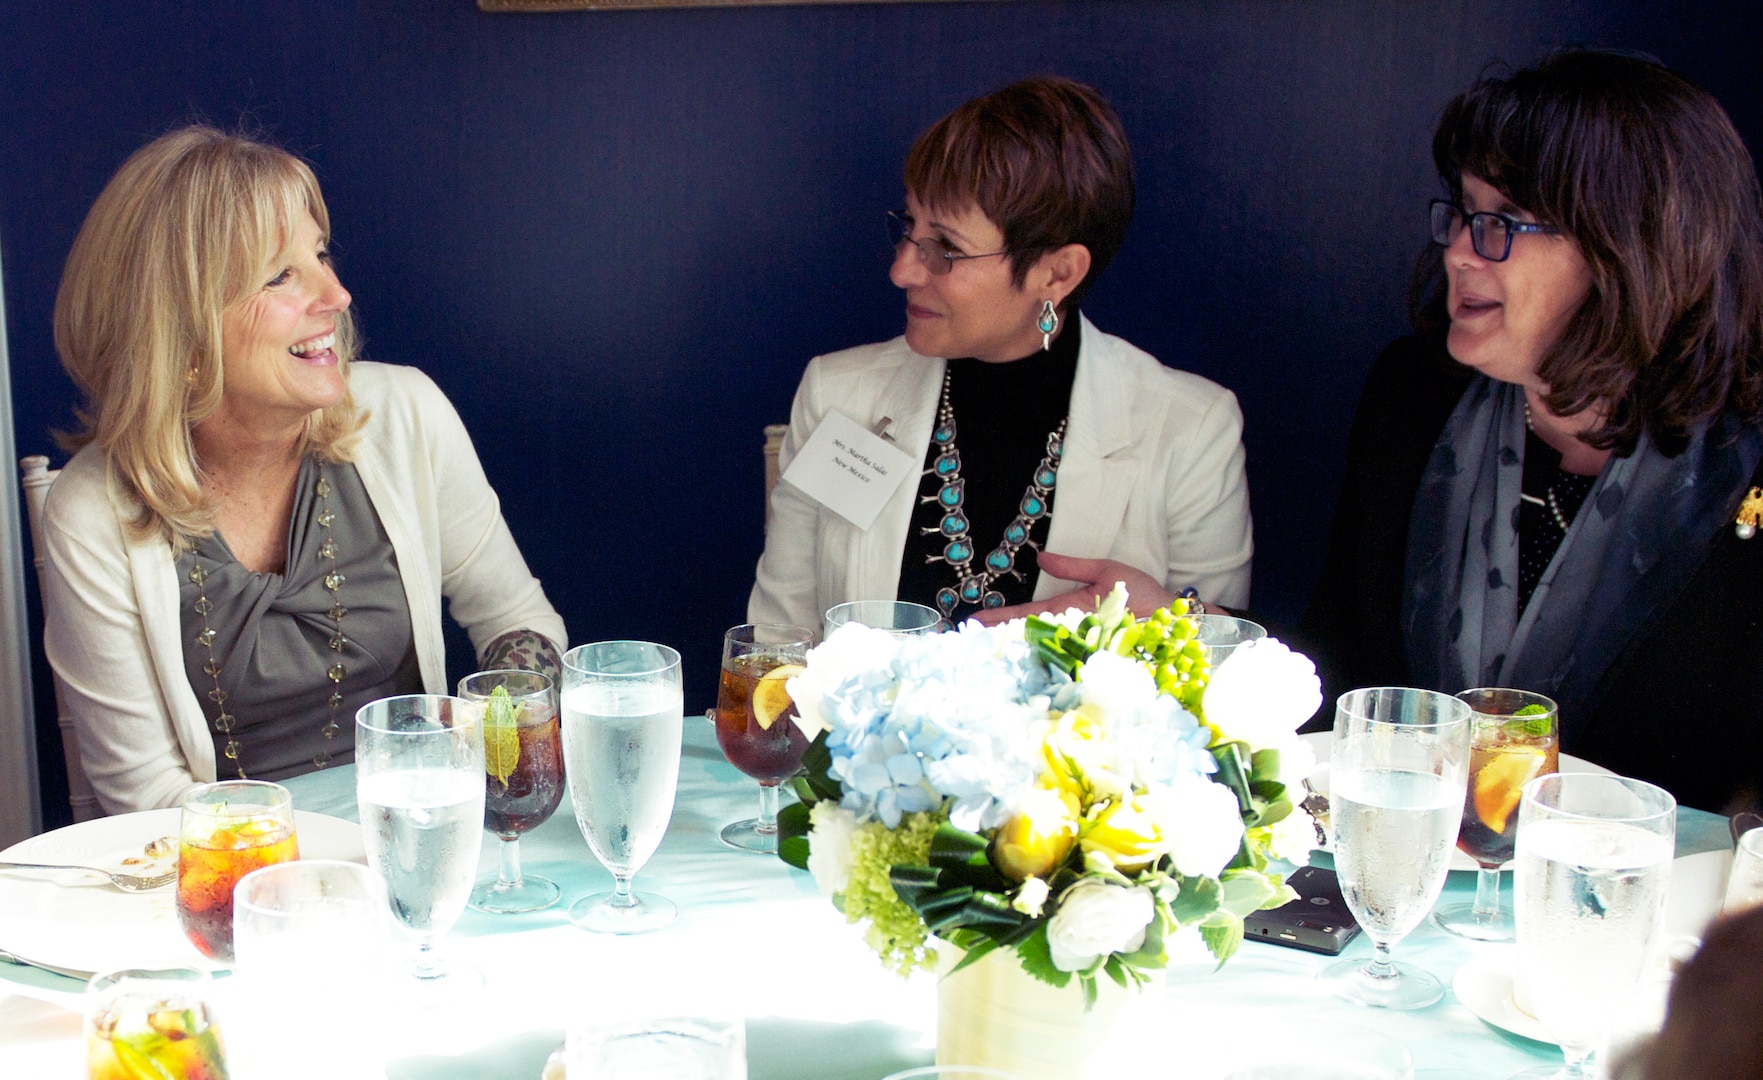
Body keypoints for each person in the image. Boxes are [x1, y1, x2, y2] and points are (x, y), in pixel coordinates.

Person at [42, 126, 567, 814]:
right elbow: (146, 799)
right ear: (182, 331)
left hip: (424, 832)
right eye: (281, 275)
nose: (336, 294)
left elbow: (515, 619)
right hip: (241, 884)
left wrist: (504, 724)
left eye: (320, 254)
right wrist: (334, 862)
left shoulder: (404, 412)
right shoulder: (90, 514)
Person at [1299, 50, 1763, 813]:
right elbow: (1337, 678)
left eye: (1503, 221)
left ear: (1630, 250)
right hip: (1405, 894)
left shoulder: (1744, 461)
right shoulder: (1411, 396)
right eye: (1461, 212)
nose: (1456, 251)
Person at [748, 77, 1251, 632]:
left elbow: (1217, 679)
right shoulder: (838, 394)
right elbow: (779, 646)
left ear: (1057, 272)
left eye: (946, 250)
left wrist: (1166, 627)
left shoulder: (1190, 431)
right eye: (909, 228)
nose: (902, 270)